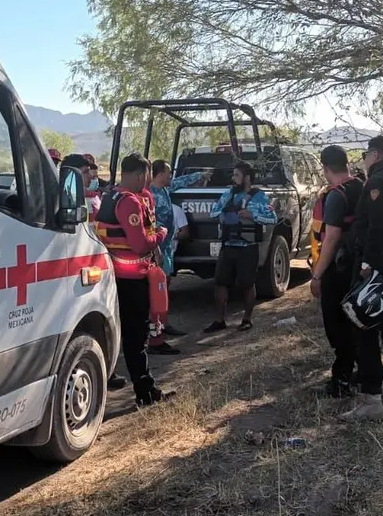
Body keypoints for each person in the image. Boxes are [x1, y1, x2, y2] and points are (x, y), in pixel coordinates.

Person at [340, 134, 383, 422]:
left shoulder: (378, 182)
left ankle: (371, 399)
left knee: (365, 325)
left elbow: (376, 227)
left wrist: (367, 262)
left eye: (366, 155)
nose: (365, 160)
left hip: (376, 264)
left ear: (376, 155)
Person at [94, 154, 173, 407]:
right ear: (140, 174)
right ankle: (145, 392)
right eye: (147, 176)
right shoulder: (128, 202)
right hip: (130, 281)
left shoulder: (112, 196)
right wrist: (162, 234)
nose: (148, 182)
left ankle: (143, 386)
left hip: (117, 277)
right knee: (136, 337)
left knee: (132, 334)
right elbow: (140, 244)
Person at [309, 145, 363, 397]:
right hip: (361, 268)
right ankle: (362, 372)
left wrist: (317, 274)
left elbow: (330, 239)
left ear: (325, 168)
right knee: (358, 323)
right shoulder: (362, 187)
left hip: (338, 270)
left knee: (337, 325)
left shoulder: (335, 196)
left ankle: (341, 378)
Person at [203, 162, 277, 333]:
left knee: (247, 284)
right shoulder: (228, 194)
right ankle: (219, 320)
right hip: (228, 246)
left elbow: (272, 219)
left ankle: (247, 319)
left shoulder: (259, 197)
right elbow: (213, 212)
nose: (233, 178)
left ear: (247, 178)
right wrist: (223, 214)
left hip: (248, 247)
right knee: (220, 283)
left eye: (236, 175)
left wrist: (253, 215)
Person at [146, 160, 209, 354]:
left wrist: (200, 175)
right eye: (167, 172)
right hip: (156, 250)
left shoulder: (166, 189)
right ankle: (154, 334)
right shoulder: (150, 195)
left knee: (166, 287)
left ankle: (163, 324)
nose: (170, 177)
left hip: (167, 249)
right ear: (159, 174)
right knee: (155, 292)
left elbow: (181, 181)